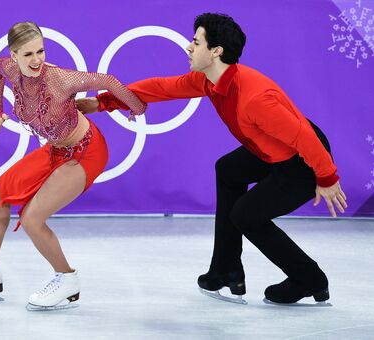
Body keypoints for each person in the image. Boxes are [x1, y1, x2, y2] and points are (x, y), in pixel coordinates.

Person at [77, 13, 347, 305]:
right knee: (229, 170)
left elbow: (303, 137)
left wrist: (327, 178)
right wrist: (104, 102)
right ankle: (226, 270)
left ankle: (309, 279)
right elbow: (162, 87)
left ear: (216, 51)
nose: (189, 48)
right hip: (270, 149)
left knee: (246, 215)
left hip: (302, 161)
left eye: (196, 42)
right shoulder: (210, 81)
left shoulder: (255, 98)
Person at [0, 22, 146, 310]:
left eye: (40, 51)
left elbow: (107, 80)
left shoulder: (59, 79)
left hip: (87, 151)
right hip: (56, 150)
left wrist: (136, 107)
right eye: (28, 54)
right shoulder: (8, 68)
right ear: (14, 55)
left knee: (32, 219)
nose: (36, 60)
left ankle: (67, 280)